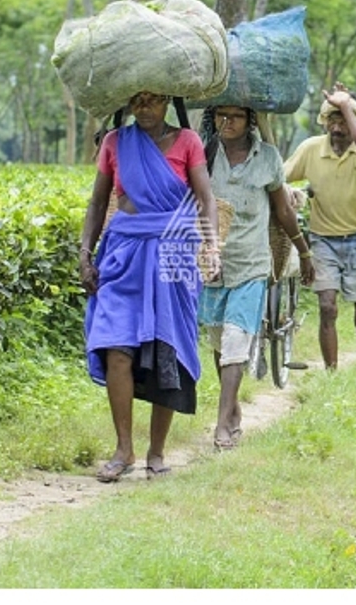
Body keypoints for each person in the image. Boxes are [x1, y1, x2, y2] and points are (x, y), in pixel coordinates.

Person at [79, 91, 220, 482]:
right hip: (123, 252)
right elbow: (97, 203)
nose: (145, 108)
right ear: (128, 103)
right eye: (138, 100)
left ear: (167, 103)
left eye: (153, 100)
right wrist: (85, 254)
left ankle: (157, 452)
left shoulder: (189, 143)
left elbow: (205, 198)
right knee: (116, 347)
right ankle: (123, 449)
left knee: (166, 350)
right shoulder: (115, 142)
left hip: (173, 253)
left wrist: (211, 245)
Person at [198, 105, 315, 450]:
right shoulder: (205, 153)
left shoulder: (267, 158)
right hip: (214, 265)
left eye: (235, 116)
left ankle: (222, 425)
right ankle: (231, 409)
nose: (227, 122)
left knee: (237, 339)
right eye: (221, 115)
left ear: (250, 121)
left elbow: (282, 210)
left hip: (252, 263)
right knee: (219, 342)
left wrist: (304, 252)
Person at [283, 83, 356, 376]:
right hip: (323, 240)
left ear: (355, 121)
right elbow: (280, 177)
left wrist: (347, 105)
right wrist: (289, 193)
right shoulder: (311, 148)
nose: (337, 128)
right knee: (328, 306)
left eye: (344, 120)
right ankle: (332, 373)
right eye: (332, 120)